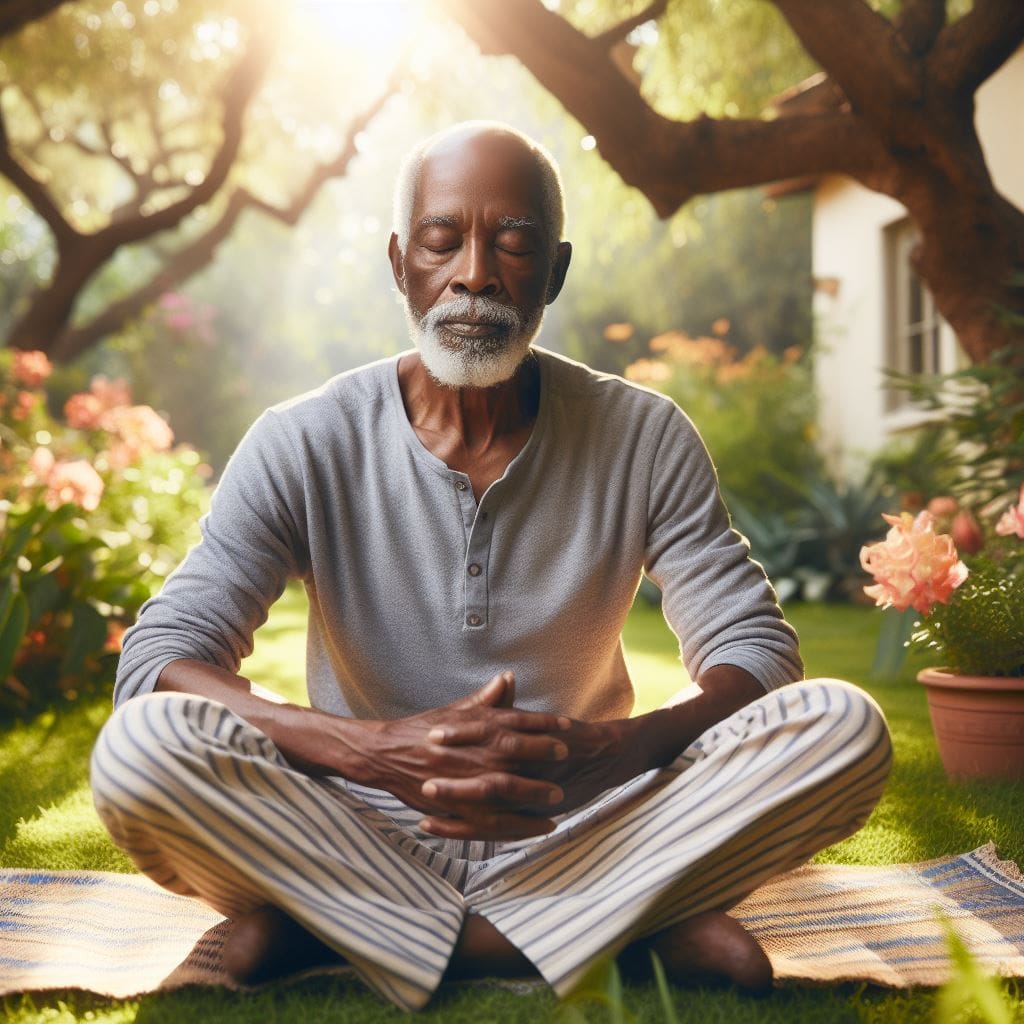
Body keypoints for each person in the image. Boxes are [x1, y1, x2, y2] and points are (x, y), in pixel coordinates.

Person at [90, 121, 892, 1012]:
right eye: (443, 240)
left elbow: (759, 655)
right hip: (358, 820)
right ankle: (616, 931)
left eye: (513, 240)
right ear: (402, 264)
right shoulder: (302, 440)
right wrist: (366, 750)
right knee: (138, 750)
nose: (475, 272)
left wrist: (616, 751)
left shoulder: (644, 434)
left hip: (587, 817)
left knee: (843, 725)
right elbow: (160, 660)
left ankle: (330, 929)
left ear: (554, 269)